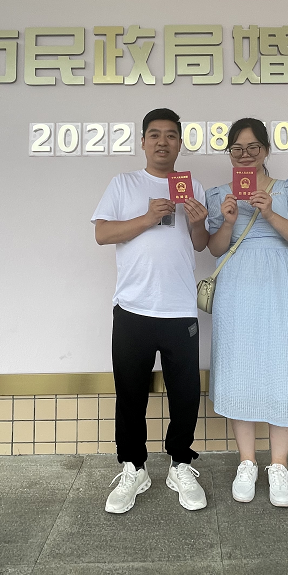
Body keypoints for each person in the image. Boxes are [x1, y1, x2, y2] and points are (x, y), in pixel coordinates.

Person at [91, 108, 211, 514]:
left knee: (186, 393)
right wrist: (147, 217)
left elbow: (199, 243)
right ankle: (134, 468)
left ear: (180, 143)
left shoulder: (192, 186)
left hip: (179, 308)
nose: (163, 142)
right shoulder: (124, 183)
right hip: (133, 307)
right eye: (155, 134)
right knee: (130, 392)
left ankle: (180, 464)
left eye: (171, 135)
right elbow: (102, 233)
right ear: (143, 141)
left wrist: (199, 221)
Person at [205, 118, 288, 508]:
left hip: (279, 283)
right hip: (237, 285)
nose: (245, 155)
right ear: (229, 153)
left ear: (266, 150)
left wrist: (271, 214)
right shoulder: (219, 194)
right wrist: (227, 222)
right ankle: (246, 462)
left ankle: (279, 465)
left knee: (281, 365)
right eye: (237, 149)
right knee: (240, 365)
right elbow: (215, 249)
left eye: (253, 147)